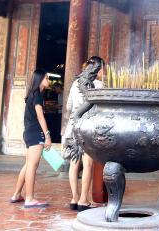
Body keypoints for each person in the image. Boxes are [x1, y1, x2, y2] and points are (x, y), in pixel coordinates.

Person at [63, 56, 104, 212]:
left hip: (74, 126)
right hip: (88, 127)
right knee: (87, 164)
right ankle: (83, 200)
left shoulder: (75, 84)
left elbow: (68, 107)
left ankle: (74, 198)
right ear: (97, 69)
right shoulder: (99, 85)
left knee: (74, 163)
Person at [10, 69, 51, 208]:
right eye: (46, 77)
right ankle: (30, 198)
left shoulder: (32, 95)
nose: (48, 80)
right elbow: (40, 117)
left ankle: (16, 194)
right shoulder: (38, 95)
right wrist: (47, 135)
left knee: (28, 165)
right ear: (40, 79)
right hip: (35, 133)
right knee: (32, 166)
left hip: (28, 133)